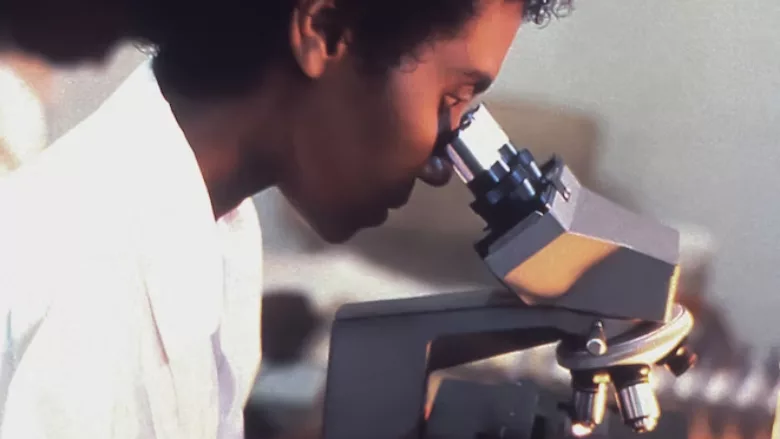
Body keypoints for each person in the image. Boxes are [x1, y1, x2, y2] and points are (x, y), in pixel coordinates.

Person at [0, 0, 566, 438]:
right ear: (325, 31)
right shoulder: (84, 291)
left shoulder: (220, 227)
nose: (442, 166)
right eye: (452, 97)